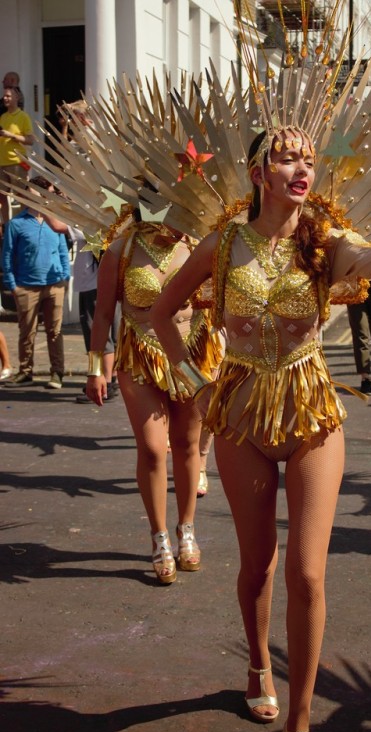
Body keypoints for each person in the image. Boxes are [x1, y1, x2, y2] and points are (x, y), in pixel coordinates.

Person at [151, 127, 371, 732]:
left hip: (311, 413)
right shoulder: (225, 244)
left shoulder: (322, 239)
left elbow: (366, 258)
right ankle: (258, 663)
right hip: (243, 417)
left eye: (308, 159)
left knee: (307, 574)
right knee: (258, 565)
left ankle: (300, 723)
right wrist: (196, 385)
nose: (302, 168)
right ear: (259, 173)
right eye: (286, 158)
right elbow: (162, 311)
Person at [85, 206, 221, 584]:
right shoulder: (122, 249)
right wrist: (97, 367)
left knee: (188, 444)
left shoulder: (197, 243)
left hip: (190, 350)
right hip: (140, 355)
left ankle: (187, 530)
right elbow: (101, 312)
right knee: (151, 447)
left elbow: (220, 301)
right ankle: (160, 537)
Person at [2, 175, 70, 389]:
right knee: (27, 331)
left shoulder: (55, 222)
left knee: (55, 331)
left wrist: (65, 277)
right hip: (26, 286)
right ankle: (25, 371)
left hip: (55, 284)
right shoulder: (16, 224)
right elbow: (7, 256)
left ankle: (57, 372)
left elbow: (62, 251)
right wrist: (13, 285)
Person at [69, 224, 120, 404]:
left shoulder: (87, 221)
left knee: (97, 335)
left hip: (92, 286)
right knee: (108, 336)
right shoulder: (111, 223)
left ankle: (103, 382)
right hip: (98, 284)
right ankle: (108, 380)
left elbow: (57, 225)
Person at [0, 86, 33, 226]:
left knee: (21, 196)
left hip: (17, 162)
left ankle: (22, 226)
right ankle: (7, 226)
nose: (5, 98)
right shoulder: (3, 116)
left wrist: (11, 135)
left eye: (8, 96)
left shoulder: (23, 116)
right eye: (4, 96)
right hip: (2, 163)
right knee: (2, 197)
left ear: (16, 98)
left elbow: (30, 140)